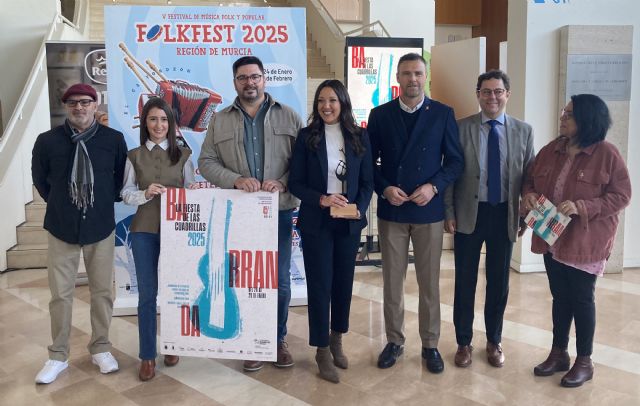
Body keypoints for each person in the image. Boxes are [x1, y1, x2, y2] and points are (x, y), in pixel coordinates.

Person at [198, 56, 304, 372]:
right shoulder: (220, 120)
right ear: (235, 82)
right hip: (240, 214)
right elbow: (206, 161)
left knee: (280, 281)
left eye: (255, 76)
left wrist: (283, 182)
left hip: (280, 211)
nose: (250, 83)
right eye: (243, 78)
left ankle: (277, 340)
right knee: (247, 280)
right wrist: (235, 180)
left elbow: (305, 162)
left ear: (264, 79)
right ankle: (253, 341)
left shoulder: (290, 116)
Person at [522, 94, 631, 387]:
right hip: (551, 236)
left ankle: (585, 361)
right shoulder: (551, 150)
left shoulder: (607, 154)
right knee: (560, 297)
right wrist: (528, 195)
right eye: (564, 112)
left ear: (587, 119)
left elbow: (622, 195)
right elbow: (529, 180)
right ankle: (559, 353)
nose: (563, 117)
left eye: (569, 114)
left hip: (586, 241)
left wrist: (583, 207)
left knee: (582, 300)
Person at [368, 53, 464, 373]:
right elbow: (368, 163)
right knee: (392, 282)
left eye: (418, 73)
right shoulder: (380, 115)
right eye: (407, 73)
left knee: (429, 283)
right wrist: (384, 188)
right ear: (397, 77)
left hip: (428, 211)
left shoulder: (443, 114)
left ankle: (430, 344)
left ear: (426, 77)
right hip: (393, 211)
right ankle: (394, 341)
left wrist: (433, 187)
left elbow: (455, 162)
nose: (412, 79)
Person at [31, 83, 127, 384]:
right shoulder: (47, 141)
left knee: (102, 292)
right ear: (65, 106)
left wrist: (97, 203)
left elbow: (119, 180)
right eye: (72, 102)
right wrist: (64, 202)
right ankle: (58, 355)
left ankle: (101, 348)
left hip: (101, 226)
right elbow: (41, 180)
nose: (79, 107)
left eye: (85, 101)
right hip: (61, 226)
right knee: (60, 295)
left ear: (95, 105)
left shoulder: (113, 139)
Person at [444, 70, 535, 368]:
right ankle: (463, 342)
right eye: (486, 91)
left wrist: (526, 213)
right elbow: (450, 173)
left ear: (507, 94)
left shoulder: (524, 131)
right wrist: (449, 212)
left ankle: (494, 340)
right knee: (465, 281)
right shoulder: (461, 128)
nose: (492, 97)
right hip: (469, 214)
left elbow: (530, 177)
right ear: (478, 95)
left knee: (498, 283)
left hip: (505, 214)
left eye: (498, 91)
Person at [289, 80, 373, 383]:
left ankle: (337, 339)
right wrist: (322, 199)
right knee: (320, 285)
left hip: (348, 221)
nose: (327, 106)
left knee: (342, 284)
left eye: (333, 100)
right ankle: (321, 349)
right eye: (321, 101)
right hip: (317, 221)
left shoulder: (359, 136)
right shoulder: (306, 137)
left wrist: (359, 207)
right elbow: (295, 183)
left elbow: (368, 181)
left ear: (343, 103)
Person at [121, 98, 196, 381]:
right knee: (147, 295)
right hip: (144, 230)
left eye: (164, 120)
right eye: (153, 119)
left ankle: (173, 344)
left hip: (177, 230)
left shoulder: (184, 155)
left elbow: (191, 191)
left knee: (177, 291)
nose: (159, 125)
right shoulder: (133, 156)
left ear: (171, 124)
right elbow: (126, 193)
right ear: (145, 123)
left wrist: (190, 193)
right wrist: (144, 193)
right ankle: (147, 355)